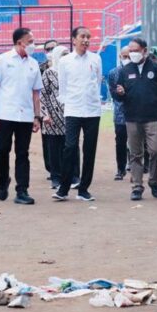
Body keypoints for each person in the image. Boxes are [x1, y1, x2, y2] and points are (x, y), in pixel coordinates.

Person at [113, 37, 157, 201]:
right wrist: (119, 93)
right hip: (132, 117)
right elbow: (118, 95)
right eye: (130, 51)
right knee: (135, 153)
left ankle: (154, 181)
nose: (132, 54)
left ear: (145, 51)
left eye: (136, 51)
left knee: (155, 150)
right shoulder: (125, 71)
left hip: (152, 117)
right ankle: (137, 186)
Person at [0, 28, 43, 205]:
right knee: (2, 150)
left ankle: (22, 190)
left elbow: (36, 93)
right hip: (6, 114)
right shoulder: (2, 60)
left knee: (22, 153)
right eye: (30, 41)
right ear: (20, 42)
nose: (33, 44)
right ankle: (3, 180)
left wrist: (37, 116)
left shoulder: (34, 64)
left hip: (26, 115)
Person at [53, 26, 102, 203]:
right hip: (73, 110)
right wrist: (69, 104)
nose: (86, 40)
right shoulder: (65, 61)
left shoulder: (96, 59)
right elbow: (63, 86)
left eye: (88, 37)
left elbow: (97, 81)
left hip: (92, 110)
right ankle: (64, 188)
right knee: (70, 147)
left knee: (89, 150)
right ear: (74, 39)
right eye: (82, 36)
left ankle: (83, 189)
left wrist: (92, 100)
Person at [41, 45, 70, 190]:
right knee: (54, 148)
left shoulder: (72, 72)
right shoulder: (48, 73)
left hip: (70, 115)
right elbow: (43, 95)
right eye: (63, 54)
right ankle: (56, 177)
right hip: (52, 117)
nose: (66, 56)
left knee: (71, 146)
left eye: (68, 53)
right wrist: (45, 114)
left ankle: (72, 175)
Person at [108, 46, 131, 180]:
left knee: (137, 141)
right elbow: (113, 93)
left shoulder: (138, 71)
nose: (126, 59)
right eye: (124, 56)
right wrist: (120, 94)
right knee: (120, 141)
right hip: (120, 113)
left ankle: (135, 166)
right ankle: (120, 168)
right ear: (120, 57)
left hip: (136, 112)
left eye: (129, 56)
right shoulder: (113, 73)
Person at [39, 38, 58, 179]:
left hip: (64, 110)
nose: (51, 51)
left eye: (54, 48)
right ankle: (51, 169)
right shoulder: (41, 68)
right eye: (48, 49)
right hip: (46, 109)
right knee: (47, 140)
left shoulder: (66, 64)